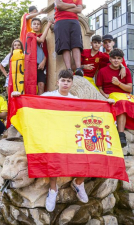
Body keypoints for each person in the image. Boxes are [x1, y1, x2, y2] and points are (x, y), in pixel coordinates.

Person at [12, 69, 91, 212]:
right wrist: (18, 96)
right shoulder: (48, 96)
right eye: (63, 80)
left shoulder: (75, 100)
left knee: (90, 154)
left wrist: (108, 104)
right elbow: (32, 104)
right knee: (53, 157)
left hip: (71, 137)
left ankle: (79, 183)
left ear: (72, 83)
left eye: (68, 81)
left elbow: (90, 111)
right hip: (53, 137)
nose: (66, 83)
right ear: (58, 82)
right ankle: (53, 190)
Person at [53, 0, 84, 76]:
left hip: (74, 21)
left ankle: (78, 68)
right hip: (60, 21)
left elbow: (79, 9)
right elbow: (58, 5)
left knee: (76, 44)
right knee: (65, 45)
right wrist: (72, 5)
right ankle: (69, 69)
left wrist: (65, 6)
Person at [23, 17, 51, 95]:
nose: (36, 26)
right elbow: (41, 40)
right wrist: (48, 26)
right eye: (34, 24)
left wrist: (43, 62)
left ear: (41, 26)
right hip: (32, 65)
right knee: (32, 87)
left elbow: (46, 52)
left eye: (38, 24)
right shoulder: (30, 35)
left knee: (41, 85)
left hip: (41, 64)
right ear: (31, 26)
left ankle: (40, 104)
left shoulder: (43, 37)